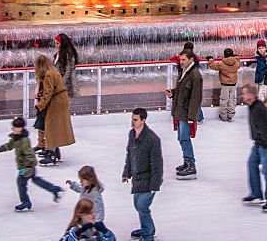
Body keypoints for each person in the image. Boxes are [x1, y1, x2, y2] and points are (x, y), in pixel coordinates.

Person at [0, 117, 61, 212]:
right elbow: (8, 146)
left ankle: (26, 202)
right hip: (27, 166)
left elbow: (29, 153)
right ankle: (54, 189)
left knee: (21, 183)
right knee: (36, 180)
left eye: (15, 127)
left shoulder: (24, 140)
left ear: (21, 128)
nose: (13, 129)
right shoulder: (16, 138)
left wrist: (28, 166)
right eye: (13, 127)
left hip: (27, 167)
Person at [122, 108, 162, 241]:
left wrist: (155, 184)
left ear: (143, 120)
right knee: (137, 205)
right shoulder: (132, 134)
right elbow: (130, 155)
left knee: (142, 206)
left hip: (148, 180)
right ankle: (146, 228)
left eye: (135, 120)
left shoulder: (152, 139)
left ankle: (148, 234)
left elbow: (157, 164)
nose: (132, 122)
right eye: (132, 119)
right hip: (137, 179)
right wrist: (126, 173)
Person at [241, 82, 267, 212]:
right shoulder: (252, 106)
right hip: (259, 143)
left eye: (244, 94)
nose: (242, 96)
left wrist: (264, 144)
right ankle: (256, 194)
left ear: (251, 95)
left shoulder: (258, 108)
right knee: (252, 163)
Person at [165, 49, 202, 179]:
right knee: (182, 138)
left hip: (186, 114)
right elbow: (182, 90)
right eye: (180, 59)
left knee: (184, 139)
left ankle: (191, 165)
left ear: (191, 60)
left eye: (183, 60)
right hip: (181, 111)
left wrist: (192, 117)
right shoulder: (185, 72)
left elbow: (196, 98)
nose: (181, 62)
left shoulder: (195, 76)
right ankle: (187, 162)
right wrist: (173, 93)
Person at [35, 55, 76, 165]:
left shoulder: (48, 75)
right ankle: (54, 150)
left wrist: (40, 105)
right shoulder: (53, 70)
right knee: (55, 126)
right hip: (60, 99)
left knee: (51, 126)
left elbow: (48, 93)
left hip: (56, 102)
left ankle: (52, 153)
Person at [65, 166, 113, 237]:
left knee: (89, 233)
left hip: (90, 219)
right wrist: (72, 184)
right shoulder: (85, 188)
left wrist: (98, 221)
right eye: (80, 180)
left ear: (90, 179)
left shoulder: (95, 193)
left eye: (82, 180)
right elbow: (79, 188)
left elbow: (99, 208)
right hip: (82, 215)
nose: (80, 182)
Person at [207, 47, 241, 121]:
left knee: (224, 100)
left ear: (224, 55)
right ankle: (230, 115)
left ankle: (224, 116)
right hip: (233, 84)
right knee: (232, 100)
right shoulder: (236, 62)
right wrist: (237, 58)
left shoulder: (221, 64)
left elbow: (212, 65)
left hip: (225, 85)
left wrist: (210, 59)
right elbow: (239, 65)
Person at [55, 33, 79, 98]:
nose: (55, 45)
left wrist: (61, 82)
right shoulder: (59, 53)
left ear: (62, 44)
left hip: (67, 86)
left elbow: (69, 70)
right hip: (61, 84)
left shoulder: (69, 55)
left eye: (57, 43)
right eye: (55, 43)